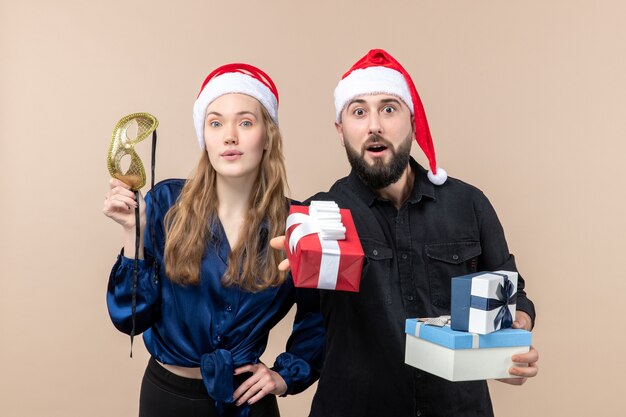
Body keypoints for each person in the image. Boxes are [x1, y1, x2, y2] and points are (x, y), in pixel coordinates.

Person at [271, 49, 539, 417]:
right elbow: (313, 327)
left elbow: (512, 295)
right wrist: (282, 374)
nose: (374, 126)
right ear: (341, 130)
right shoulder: (319, 216)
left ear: (412, 122)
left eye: (389, 108)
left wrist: (508, 345)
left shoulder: (468, 203)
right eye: (359, 111)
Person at [103, 63, 324, 417]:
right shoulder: (164, 204)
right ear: (204, 136)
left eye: (246, 122)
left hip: (247, 405)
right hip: (168, 400)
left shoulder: (298, 223)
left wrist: (285, 374)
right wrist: (134, 233)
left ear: (268, 135)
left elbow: (320, 317)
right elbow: (129, 319)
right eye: (216, 122)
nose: (230, 135)